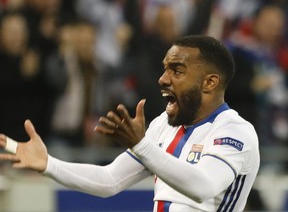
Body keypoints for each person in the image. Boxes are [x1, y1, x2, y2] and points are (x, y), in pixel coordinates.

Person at [0, 35, 260, 211]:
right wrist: (49, 165)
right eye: (165, 69)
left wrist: (142, 146)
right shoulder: (162, 127)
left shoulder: (235, 132)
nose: (163, 79)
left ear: (210, 82)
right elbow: (109, 179)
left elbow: (203, 187)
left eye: (177, 71)